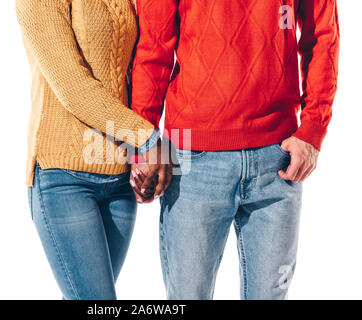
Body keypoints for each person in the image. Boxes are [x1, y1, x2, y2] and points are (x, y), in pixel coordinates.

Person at [130, 0, 340, 300]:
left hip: (277, 159)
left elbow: (322, 32)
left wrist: (313, 130)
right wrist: (143, 146)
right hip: (194, 160)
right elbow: (153, 48)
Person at [15, 0, 169, 300]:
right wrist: (148, 139)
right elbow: (73, 87)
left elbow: (128, 76)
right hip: (64, 179)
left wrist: (139, 157)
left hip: (120, 183)